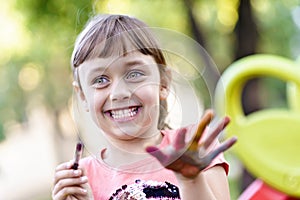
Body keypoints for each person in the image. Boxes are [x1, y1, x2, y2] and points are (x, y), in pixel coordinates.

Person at [52, 14, 237, 200]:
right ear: (83, 96)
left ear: (163, 84)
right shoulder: (80, 180)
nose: (119, 93)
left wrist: (191, 181)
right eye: (100, 80)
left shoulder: (194, 148)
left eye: (134, 74)